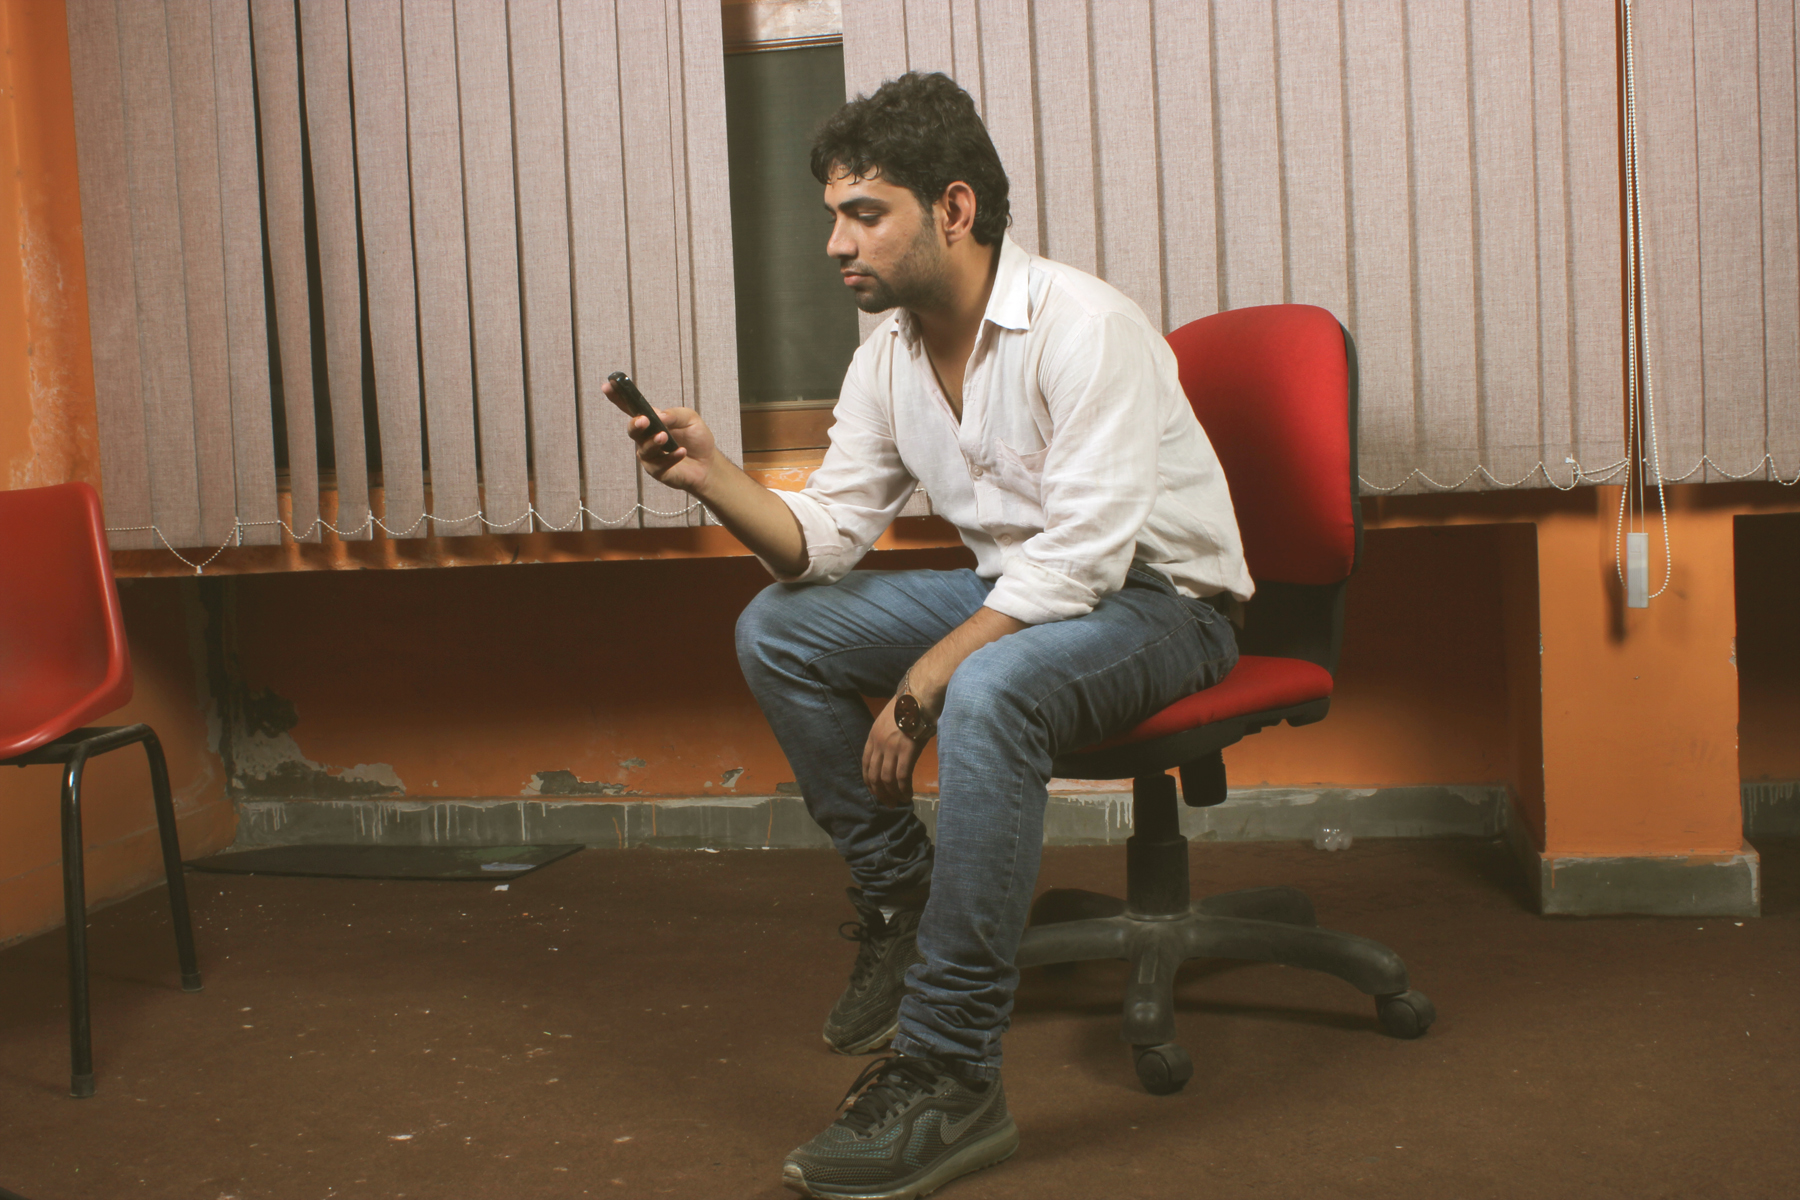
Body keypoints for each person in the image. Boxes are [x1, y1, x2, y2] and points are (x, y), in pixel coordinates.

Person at [607, 71, 1251, 1200]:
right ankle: (902, 896)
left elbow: (1088, 559)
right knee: (779, 630)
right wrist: (713, 477)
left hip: (1164, 607)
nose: (835, 244)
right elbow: (823, 541)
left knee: (990, 688)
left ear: (953, 209)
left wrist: (933, 675)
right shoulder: (889, 359)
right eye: (834, 216)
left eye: (865, 214)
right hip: (1017, 590)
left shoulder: (1085, 326)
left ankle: (952, 1072)